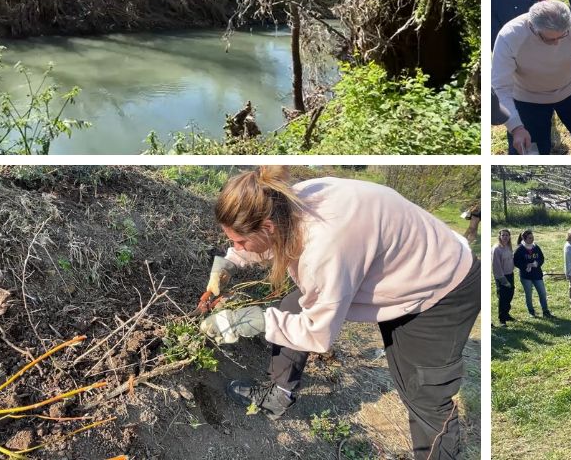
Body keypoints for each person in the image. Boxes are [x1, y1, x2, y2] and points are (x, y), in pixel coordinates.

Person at [199, 168, 478, 459]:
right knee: (293, 306)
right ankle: (278, 395)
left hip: (442, 285)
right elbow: (270, 240)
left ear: (268, 226)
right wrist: (232, 261)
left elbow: (318, 334)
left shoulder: (324, 247)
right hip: (400, 263)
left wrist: (249, 320)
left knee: (425, 396)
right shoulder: (284, 200)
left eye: (240, 242)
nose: (237, 246)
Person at [492, 0, 571, 155]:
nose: (556, 44)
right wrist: (516, 127)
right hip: (528, 99)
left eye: (563, 36)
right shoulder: (509, 36)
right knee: (533, 151)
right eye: (550, 39)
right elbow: (500, 87)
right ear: (533, 27)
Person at [515, 230, 552, 318]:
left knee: (542, 293)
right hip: (526, 276)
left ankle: (545, 311)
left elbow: (541, 258)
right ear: (524, 239)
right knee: (529, 294)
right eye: (530, 238)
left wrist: (537, 263)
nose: (532, 239)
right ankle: (531, 312)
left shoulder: (536, 247)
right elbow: (516, 262)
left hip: (537, 275)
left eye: (533, 237)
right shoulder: (520, 249)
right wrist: (526, 265)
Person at [493, 229, 516, 326]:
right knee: (503, 297)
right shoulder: (496, 249)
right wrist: (503, 280)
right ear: (499, 236)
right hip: (501, 276)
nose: (505, 237)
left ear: (509, 236)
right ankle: (502, 319)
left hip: (510, 274)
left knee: (510, 294)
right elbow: (496, 266)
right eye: (503, 235)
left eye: (507, 235)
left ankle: (506, 314)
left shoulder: (508, 246)